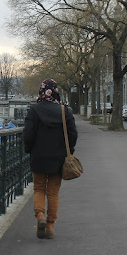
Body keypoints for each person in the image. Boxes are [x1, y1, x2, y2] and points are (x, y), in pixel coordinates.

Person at [23, 79, 78, 239]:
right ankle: (50, 226)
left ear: (41, 91)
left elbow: (28, 134)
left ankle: (40, 215)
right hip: (58, 158)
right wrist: (69, 151)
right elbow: (73, 134)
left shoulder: (34, 110)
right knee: (53, 192)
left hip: (39, 156)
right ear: (55, 91)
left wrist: (29, 149)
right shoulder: (64, 111)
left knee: (39, 188)